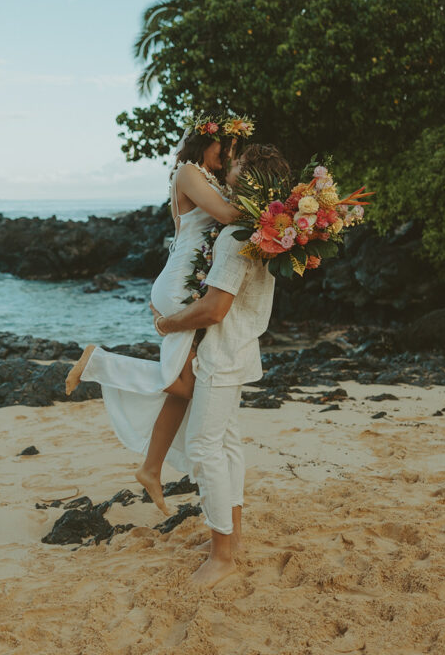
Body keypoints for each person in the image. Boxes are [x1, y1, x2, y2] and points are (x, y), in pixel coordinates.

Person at [64, 116, 250, 513]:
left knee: (185, 383)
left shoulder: (210, 176)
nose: (228, 154)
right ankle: (99, 363)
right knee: (184, 384)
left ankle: (150, 467)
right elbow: (230, 216)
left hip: (191, 281)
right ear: (205, 142)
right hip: (181, 282)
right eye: (225, 146)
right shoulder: (187, 172)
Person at [152, 142, 290, 588]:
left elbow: (213, 309)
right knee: (227, 446)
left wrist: (170, 324)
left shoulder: (235, 238)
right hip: (240, 350)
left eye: (239, 162)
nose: (230, 164)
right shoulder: (261, 236)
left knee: (205, 449)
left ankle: (222, 556)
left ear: (247, 178)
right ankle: (233, 541)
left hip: (220, 353)